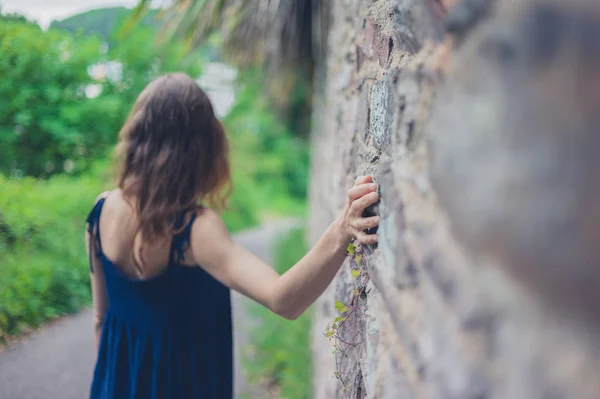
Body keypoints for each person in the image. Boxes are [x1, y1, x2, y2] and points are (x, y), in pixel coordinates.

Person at [85, 72, 380, 399]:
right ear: (203, 148)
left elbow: (101, 318)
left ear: (137, 138)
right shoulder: (193, 230)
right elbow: (284, 299)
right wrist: (342, 230)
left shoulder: (99, 212)